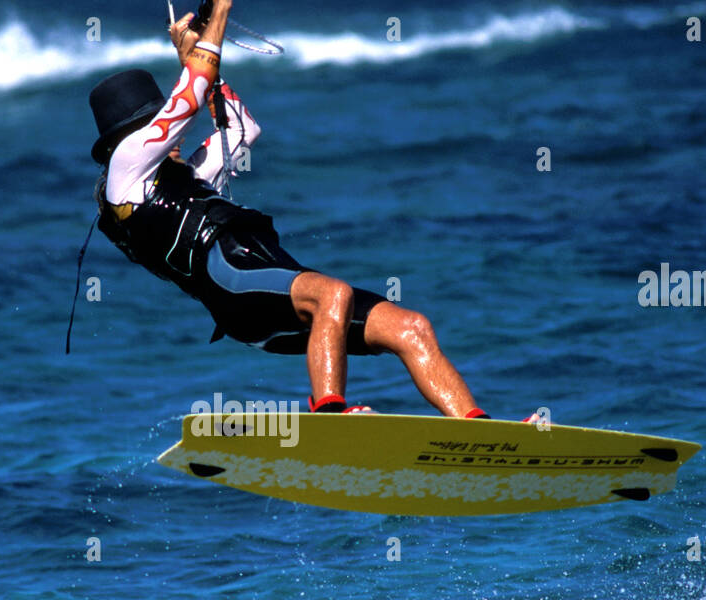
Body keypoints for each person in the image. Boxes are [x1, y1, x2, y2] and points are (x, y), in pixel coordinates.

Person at [86, 0, 514, 419]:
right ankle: (331, 415)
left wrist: (195, 56)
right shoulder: (127, 173)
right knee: (333, 294)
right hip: (233, 289)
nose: (173, 132)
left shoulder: (190, 175)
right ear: (127, 137)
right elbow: (192, 92)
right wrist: (217, 18)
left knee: (411, 327)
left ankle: (477, 434)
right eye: (157, 119)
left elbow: (241, 127)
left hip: (270, 279)